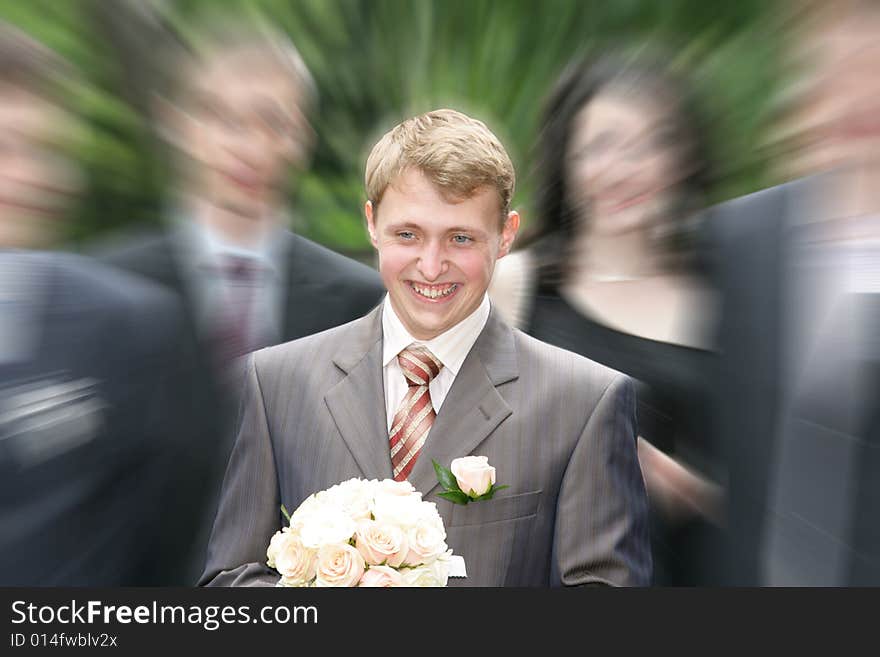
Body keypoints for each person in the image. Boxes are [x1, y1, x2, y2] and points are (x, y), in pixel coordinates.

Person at [200, 108, 652, 587]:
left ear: (505, 236)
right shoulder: (277, 383)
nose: (431, 266)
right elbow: (229, 580)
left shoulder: (584, 403)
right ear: (372, 223)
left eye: (460, 238)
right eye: (407, 234)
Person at [94, 19, 385, 584]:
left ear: (302, 135)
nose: (247, 145)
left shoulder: (362, 302)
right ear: (179, 125)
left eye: (271, 121)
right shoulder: (105, 287)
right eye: (222, 118)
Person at [489, 53, 723, 585]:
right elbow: (451, 457)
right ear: (566, 160)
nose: (624, 168)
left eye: (650, 144)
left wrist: (689, 490)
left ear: (682, 158)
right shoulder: (515, 286)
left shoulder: (726, 297)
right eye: (602, 146)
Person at [0, 23, 185, 585]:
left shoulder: (130, 324)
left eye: (43, 151)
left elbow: (162, 541)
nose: (24, 176)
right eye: (5, 148)